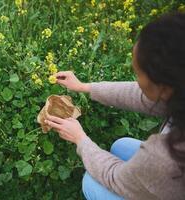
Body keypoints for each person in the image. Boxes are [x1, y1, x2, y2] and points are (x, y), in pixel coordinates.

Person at [44, 12, 185, 200]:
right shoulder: (178, 89)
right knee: (121, 145)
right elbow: (140, 95)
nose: (136, 81)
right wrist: (84, 87)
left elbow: (115, 178)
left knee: (91, 182)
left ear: (165, 88)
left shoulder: (164, 157)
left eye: (138, 73)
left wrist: (80, 139)